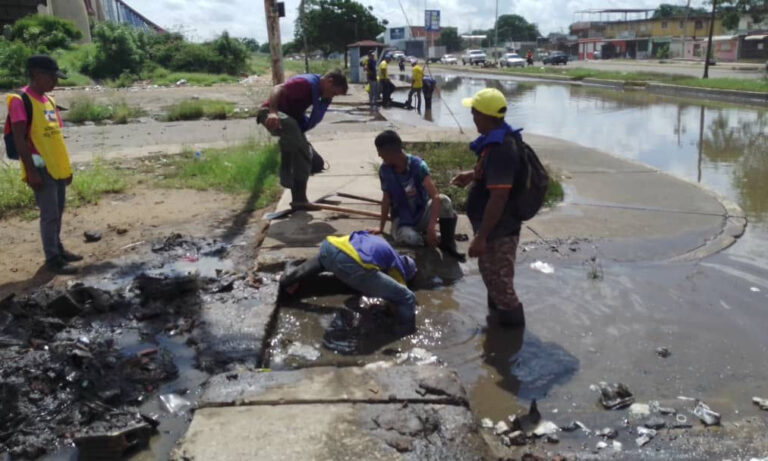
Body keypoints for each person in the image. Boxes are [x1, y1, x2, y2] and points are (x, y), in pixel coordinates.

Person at [451, 88, 526, 327]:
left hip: (500, 229)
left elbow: (499, 198)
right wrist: (473, 175)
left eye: (474, 113)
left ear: (486, 116)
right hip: (493, 228)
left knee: (502, 286)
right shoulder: (496, 141)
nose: (472, 118)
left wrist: (481, 237)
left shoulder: (503, 148)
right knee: (492, 279)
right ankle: (496, 325)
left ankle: (511, 344)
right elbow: (496, 176)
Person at [4, 55, 81, 275]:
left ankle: (58, 249)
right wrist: (30, 170)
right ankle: (53, 259)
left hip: (57, 167)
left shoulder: (50, 101)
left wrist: (66, 168)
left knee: (58, 211)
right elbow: (19, 139)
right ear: (37, 75)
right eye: (51, 77)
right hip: (40, 167)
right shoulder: (19, 100)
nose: (55, 82)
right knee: (49, 215)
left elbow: (55, 137)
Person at [279, 231, 418, 336]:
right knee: (406, 298)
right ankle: (403, 335)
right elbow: (399, 299)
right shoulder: (398, 267)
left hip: (329, 247)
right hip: (351, 265)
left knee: (320, 265)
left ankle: (288, 278)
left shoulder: (379, 242)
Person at [258, 70, 348, 206]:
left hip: (290, 120)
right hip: (269, 114)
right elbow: (277, 88)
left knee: (304, 153)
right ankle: (287, 174)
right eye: (334, 92)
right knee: (293, 130)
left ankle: (299, 199)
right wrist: (273, 112)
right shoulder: (304, 83)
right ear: (329, 81)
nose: (332, 96)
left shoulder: (320, 93)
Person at [372, 130, 464, 261]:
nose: (379, 155)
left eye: (379, 151)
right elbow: (386, 199)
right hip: (402, 220)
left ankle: (447, 243)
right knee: (407, 238)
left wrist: (431, 226)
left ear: (389, 152)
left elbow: (435, 197)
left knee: (445, 200)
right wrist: (381, 227)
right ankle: (431, 239)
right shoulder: (384, 170)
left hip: (421, 213)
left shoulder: (418, 166)